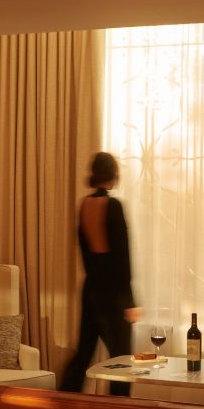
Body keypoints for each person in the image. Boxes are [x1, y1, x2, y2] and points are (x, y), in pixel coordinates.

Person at [60, 152, 140, 396]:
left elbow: (85, 252)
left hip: (91, 288)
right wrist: (130, 302)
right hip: (113, 293)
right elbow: (122, 258)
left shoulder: (84, 204)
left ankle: (63, 402)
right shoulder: (113, 205)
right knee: (123, 359)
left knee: (83, 352)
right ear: (114, 175)